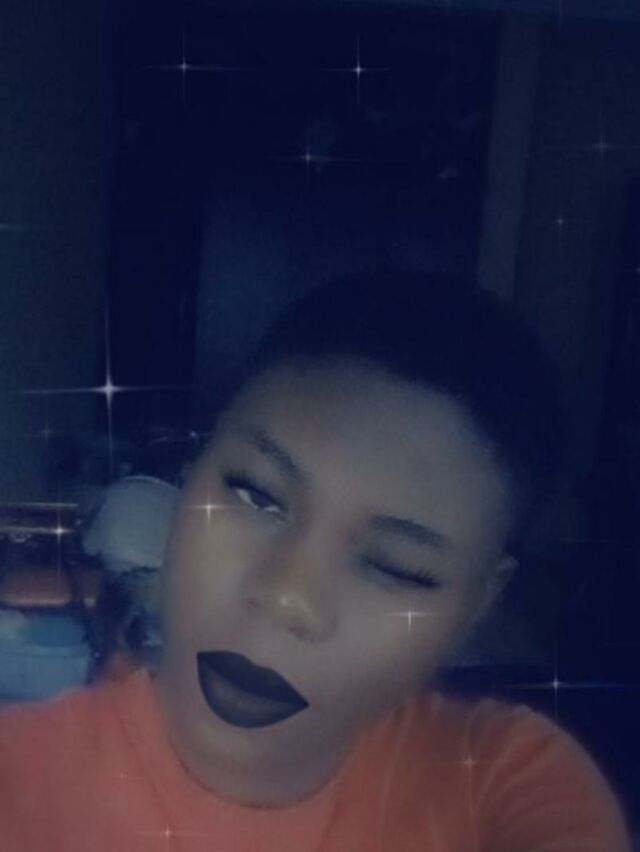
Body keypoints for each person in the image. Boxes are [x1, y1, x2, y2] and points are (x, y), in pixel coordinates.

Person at [0, 269, 633, 850]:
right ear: (192, 473)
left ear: (479, 602)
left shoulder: (505, 779)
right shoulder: (22, 777)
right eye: (256, 494)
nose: (287, 596)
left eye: (397, 566)